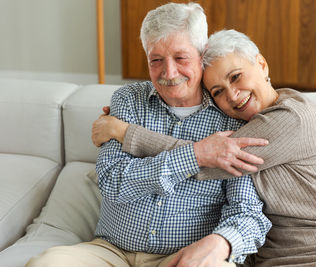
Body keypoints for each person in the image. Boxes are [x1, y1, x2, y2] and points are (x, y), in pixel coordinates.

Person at [92, 29, 316, 266]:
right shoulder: (242, 126)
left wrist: (124, 132)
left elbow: (210, 158)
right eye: (218, 91)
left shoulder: (293, 117)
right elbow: (203, 150)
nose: (233, 95)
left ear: (262, 64)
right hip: (280, 257)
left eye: (236, 77)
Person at [26, 4, 272, 267]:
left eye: (181, 58)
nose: (169, 73)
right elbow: (113, 182)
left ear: (202, 56)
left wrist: (221, 243)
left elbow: (247, 213)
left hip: (181, 258)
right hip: (111, 252)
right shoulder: (128, 100)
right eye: (156, 60)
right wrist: (195, 155)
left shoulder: (230, 117)